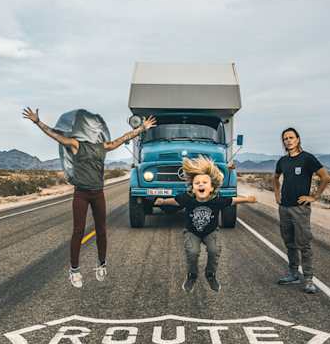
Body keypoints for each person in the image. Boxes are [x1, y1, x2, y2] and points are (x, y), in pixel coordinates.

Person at [22, 106, 156, 288]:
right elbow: (55, 135)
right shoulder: (76, 145)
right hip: (81, 194)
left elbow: (123, 138)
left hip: (98, 193)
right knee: (78, 231)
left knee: (101, 230)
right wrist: (38, 122)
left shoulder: (104, 147)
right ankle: (74, 270)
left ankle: (101, 264)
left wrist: (141, 128)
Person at [154, 156, 256, 292]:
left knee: (214, 250)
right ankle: (192, 275)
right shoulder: (188, 198)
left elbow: (233, 200)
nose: (201, 185)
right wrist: (163, 201)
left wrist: (248, 199)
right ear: (193, 187)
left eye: (204, 182)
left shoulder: (217, 200)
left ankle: (210, 274)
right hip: (192, 232)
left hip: (211, 232)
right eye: (197, 183)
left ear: (212, 187)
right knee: (192, 251)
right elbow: (175, 201)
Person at [273, 127, 330, 294]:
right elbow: (275, 178)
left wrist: (314, 196)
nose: (288, 141)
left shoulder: (307, 159)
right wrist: (277, 194)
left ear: (298, 139)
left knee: (303, 244)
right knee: (289, 242)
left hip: (300, 209)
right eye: (285, 139)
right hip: (284, 208)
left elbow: (325, 177)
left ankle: (309, 279)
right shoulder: (282, 161)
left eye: (291, 137)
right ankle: (293, 273)